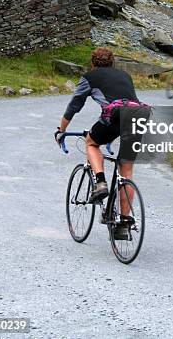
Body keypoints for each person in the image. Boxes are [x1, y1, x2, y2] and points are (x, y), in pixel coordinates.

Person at [57, 47, 150, 239]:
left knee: (91, 142)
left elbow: (74, 105)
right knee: (126, 171)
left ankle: (100, 183)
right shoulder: (125, 75)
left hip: (114, 115)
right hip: (139, 115)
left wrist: (62, 130)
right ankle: (124, 224)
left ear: (92, 63)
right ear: (113, 62)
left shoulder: (90, 77)